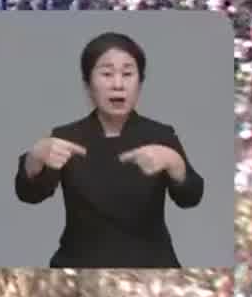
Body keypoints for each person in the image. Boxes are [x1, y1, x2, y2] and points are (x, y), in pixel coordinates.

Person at [14, 31, 206, 268]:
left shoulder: (161, 135)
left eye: (127, 74)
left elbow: (191, 197)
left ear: (140, 82)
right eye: (106, 74)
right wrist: (34, 159)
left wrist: (175, 163)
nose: (118, 85)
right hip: (80, 262)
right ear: (88, 83)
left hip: (151, 263)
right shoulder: (66, 137)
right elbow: (30, 195)